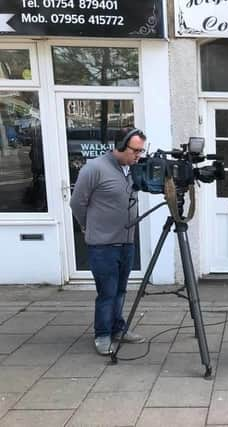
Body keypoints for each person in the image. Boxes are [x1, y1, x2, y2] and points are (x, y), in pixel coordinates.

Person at [70, 127, 147, 355]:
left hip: (127, 242)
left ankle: (118, 328)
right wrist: (88, 226)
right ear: (121, 146)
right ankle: (102, 335)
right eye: (135, 150)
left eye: (142, 151)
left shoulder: (132, 170)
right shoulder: (94, 168)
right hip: (103, 245)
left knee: (121, 290)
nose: (139, 155)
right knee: (107, 292)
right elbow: (77, 203)